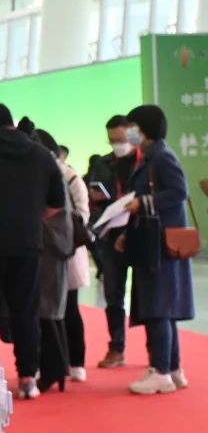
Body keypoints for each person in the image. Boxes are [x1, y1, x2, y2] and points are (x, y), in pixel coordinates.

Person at [0, 105, 65, 398]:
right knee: (26, 310)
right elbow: (57, 202)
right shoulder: (41, 154)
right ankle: (28, 376)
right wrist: (31, 216)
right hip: (27, 243)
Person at [117, 105, 193, 395]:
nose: (129, 132)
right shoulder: (150, 156)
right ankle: (172, 368)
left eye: (132, 126)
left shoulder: (161, 157)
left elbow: (179, 191)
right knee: (164, 308)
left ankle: (160, 370)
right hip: (152, 240)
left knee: (159, 307)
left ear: (144, 128)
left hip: (159, 244)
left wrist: (143, 202)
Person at [87, 115, 140, 368]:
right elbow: (93, 196)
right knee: (113, 296)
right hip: (110, 236)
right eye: (111, 141)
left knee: (147, 295)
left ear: (132, 134)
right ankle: (116, 348)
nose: (117, 145)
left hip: (140, 234)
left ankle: (158, 354)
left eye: (120, 139)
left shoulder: (144, 162)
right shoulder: (102, 163)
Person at [31, 128, 73, 395]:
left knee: (47, 311)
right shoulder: (52, 171)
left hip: (50, 245)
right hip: (52, 244)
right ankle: (57, 368)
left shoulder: (49, 173)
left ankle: (52, 370)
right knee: (51, 312)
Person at [61, 145, 92, 382]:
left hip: (69, 250)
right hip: (46, 252)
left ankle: (77, 362)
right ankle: (58, 362)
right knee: (47, 312)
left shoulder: (72, 179)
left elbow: (83, 214)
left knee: (70, 308)